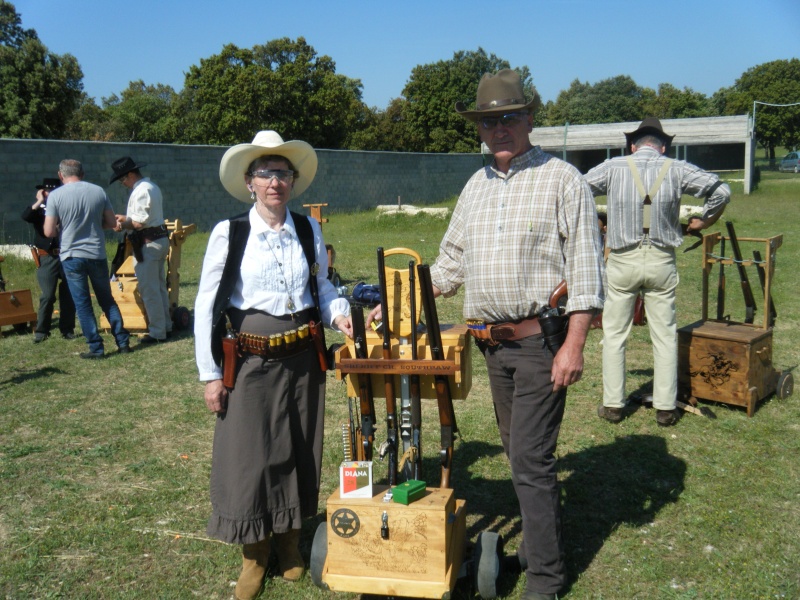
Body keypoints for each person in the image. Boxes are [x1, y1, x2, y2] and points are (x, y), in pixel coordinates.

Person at [369, 70, 605, 600]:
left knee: (528, 456)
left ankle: (546, 577)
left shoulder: (563, 180)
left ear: (528, 119)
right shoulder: (475, 186)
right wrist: (399, 300)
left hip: (540, 341)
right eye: (488, 121)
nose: (498, 129)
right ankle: (538, 548)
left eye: (509, 118)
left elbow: (587, 270)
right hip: (492, 346)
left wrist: (574, 344)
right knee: (519, 451)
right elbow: (449, 265)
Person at [194, 131, 352, 600]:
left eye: (281, 173)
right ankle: (254, 554)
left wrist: (339, 311)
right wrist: (209, 375)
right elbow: (206, 305)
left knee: (301, 447)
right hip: (250, 363)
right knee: (249, 456)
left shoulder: (307, 229)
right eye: (264, 173)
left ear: (292, 180)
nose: (274, 182)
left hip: (304, 357)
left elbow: (320, 286)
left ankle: (289, 543)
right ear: (249, 182)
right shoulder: (231, 232)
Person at [584, 117, 730, 426]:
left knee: (614, 336)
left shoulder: (613, 167)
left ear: (633, 145)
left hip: (622, 260)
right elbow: (721, 191)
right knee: (664, 336)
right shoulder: (677, 168)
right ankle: (665, 408)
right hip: (662, 260)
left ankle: (613, 405)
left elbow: (577, 189)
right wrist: (704, 221)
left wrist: (594, 220)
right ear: (662, 146)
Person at [44, 159, 131, 359]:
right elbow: (110, 223)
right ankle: (122, 341)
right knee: (106, 299)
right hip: (96, 253)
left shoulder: (56, 196)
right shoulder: (98, 191)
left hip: (72, 255)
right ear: (82, 173)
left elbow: (49, 231)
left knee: (82, 303)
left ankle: (96, 347)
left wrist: (62, 227)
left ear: (61, 175)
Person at [109, 157, 172, 344]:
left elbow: (138, 222)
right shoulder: (150, 186)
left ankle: (157, 332)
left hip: (149, 243)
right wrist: (126, 218)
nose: (123, 183)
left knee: (149, 289)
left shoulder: (142, 190)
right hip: (156, 240)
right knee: (159, 287)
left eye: (123, 179)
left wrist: (121, 222)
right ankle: (165, 326)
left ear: (130, 174)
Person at [21, 177, 76, 343]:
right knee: (47, 295)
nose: (50, 194)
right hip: (47, 255)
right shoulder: (40, 209)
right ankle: (42, 330)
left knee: (68, 292)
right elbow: (26, 216)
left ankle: (67, 329)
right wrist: (39, 201)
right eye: (47, 191)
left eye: (53, 191)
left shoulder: (66, 206)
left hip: (66, 254)